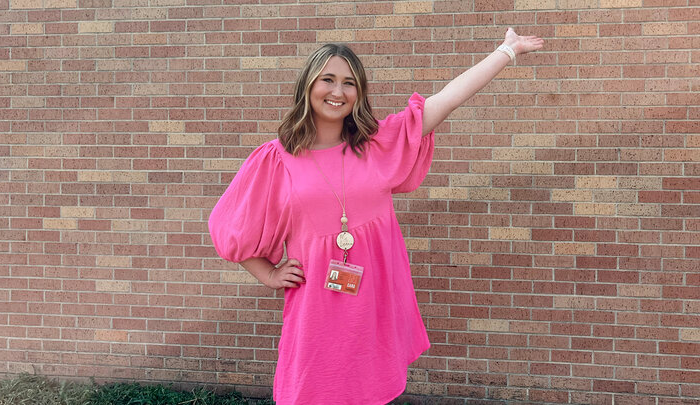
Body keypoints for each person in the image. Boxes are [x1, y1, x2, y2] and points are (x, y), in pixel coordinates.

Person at [208, 28, 544, 405]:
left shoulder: (378, 145)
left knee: (368, 390)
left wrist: (506, 50)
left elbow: (447, 99)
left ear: (359, 93)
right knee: (309, 391)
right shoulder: (275, 159)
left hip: (371, 301)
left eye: (349, 83)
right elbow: (230, 226)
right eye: (328, 80)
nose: (338, 92)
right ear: (308, 85)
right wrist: (267, 273)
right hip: (316, 309)